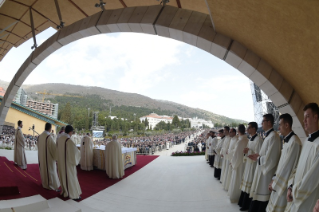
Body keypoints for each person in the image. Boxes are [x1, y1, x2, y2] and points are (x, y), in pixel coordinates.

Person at [285, 103, 319, 212]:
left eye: (307, 117)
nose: (304, 120)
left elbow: (312, 177)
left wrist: (296, 192)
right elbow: (298, 167)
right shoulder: (306, 142)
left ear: (315, 117)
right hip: (296, 193)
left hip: (307, 197)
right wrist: (290, 186)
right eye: (303, 117)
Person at [265, 114, 302, 212]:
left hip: (284, 185)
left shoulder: (294, 142)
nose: (278, 127)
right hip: (279, 182)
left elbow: (287, 167)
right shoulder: (288, 141)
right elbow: (282, 163)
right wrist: (273, 179)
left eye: (280, 125)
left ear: (286, 125)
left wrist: (275, 183)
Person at [248, 114, 281, 212]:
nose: (261, 124)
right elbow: (266, 153)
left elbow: (272, 158)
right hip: (262, 168)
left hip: (267, 172)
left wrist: (258, 158)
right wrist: (258, 155)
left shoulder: (274, 136)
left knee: (263, 195)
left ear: (269, 122)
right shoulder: (269, 135)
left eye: (263, 121)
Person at [238, 122, 263, 211]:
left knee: (251, 184)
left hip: (253, 166)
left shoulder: (259, 140)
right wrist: (245, 152)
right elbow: (248, 151)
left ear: (254, 128)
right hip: (249, 164)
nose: (247, 130)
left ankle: (247, 205)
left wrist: (249, 151)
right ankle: (243, 203)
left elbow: (259, 154)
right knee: (246, 183)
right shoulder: (250, 139)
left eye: (249, 128)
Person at [57, 125, 82, 200]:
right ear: (70, 132)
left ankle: (65, 191)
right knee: (70, 177)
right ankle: (73, 194)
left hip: (61, 162)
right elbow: (74, 152)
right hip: (68, 163)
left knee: (64, 177)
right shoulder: (68, 140)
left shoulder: (60, 138)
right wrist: (79, 153)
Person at [228, 124, 249, 203]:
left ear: (239, 131)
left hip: (238, 164)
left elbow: (236, 154)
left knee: (237, 179)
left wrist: (232, 163)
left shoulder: (240, 141)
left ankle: (236, 197)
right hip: (244, 163)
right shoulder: (247, 140)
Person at [37, 123, 60, 191]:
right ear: (50, 129)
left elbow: (38, 145)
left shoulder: (40, 136)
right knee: (50, 170)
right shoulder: (48, 137)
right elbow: (53, 149)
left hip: (42, 156)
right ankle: (51, 185)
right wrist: (57, 157)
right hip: (48, 158)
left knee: (44, 170)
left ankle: (45, 183)